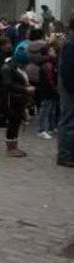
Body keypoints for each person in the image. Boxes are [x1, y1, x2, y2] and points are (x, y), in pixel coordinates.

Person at [0, 52, 34, 157]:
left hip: (18, 99)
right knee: (13, 122)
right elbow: (8, 85)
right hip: (11, 99)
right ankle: (10, 148)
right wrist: (25, 89)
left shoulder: (15, 68)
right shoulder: (7, 69)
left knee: (16, 121)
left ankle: (14, 146)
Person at [56, 17, 74, 168]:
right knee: (68, 122)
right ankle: (65, 155)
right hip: (70, 89)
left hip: (69, 86)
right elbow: (67, 71)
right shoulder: (70, 44)